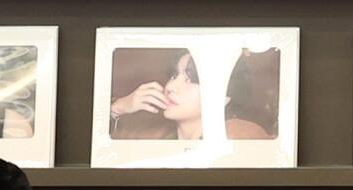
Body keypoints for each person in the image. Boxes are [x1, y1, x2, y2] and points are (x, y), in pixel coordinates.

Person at [104, 48, 275, 141]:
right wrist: (118, 107)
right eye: (174, 76)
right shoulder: (150, 135)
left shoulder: (240, 136)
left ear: (223, 97)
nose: (171, 87)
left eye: (190, 79)